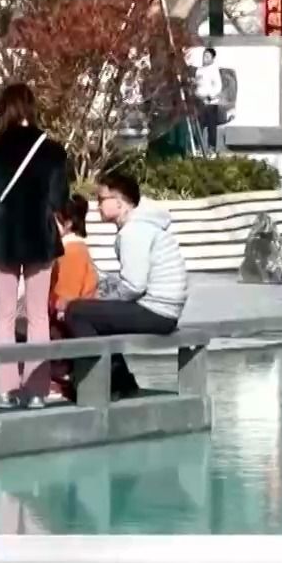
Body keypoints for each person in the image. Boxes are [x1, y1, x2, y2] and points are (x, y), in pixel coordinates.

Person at [0, 84, 70, 409]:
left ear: (4, 109)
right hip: (40, 235)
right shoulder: (52, 150)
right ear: (31, 107)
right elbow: (59, 199)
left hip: (4, 236)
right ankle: (37, 390)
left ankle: (5, 388)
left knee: (4, 315)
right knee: (38, 316)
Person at [62, 168, 188, 398]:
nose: (98, 205)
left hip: (156, 311)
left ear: (120, 203)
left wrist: (102, 299)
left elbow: (134, 286)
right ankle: (121, 382)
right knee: (96, 316)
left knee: (76, 311)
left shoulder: (133, 231)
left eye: (102, 199)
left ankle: (95, 383)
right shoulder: (142, 227)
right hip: (164, 310)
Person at [47, 194, 98, 398]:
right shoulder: (75, 248)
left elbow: (65, 297)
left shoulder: (71, 252)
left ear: (67, 223)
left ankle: (60, 379)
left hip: (69, 319)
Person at [193, 47, 226, 154]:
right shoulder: (199, 70)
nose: (204, 58)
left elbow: (218, 87)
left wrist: (209, 96)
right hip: (199, 101)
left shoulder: (214, 70)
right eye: (204, 56)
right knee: (199, 126)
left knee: (211, 127)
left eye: (207, 56)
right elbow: (197, 85)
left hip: (210, 103)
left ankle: (212, 149)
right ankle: (197, 148)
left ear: (212, 58)